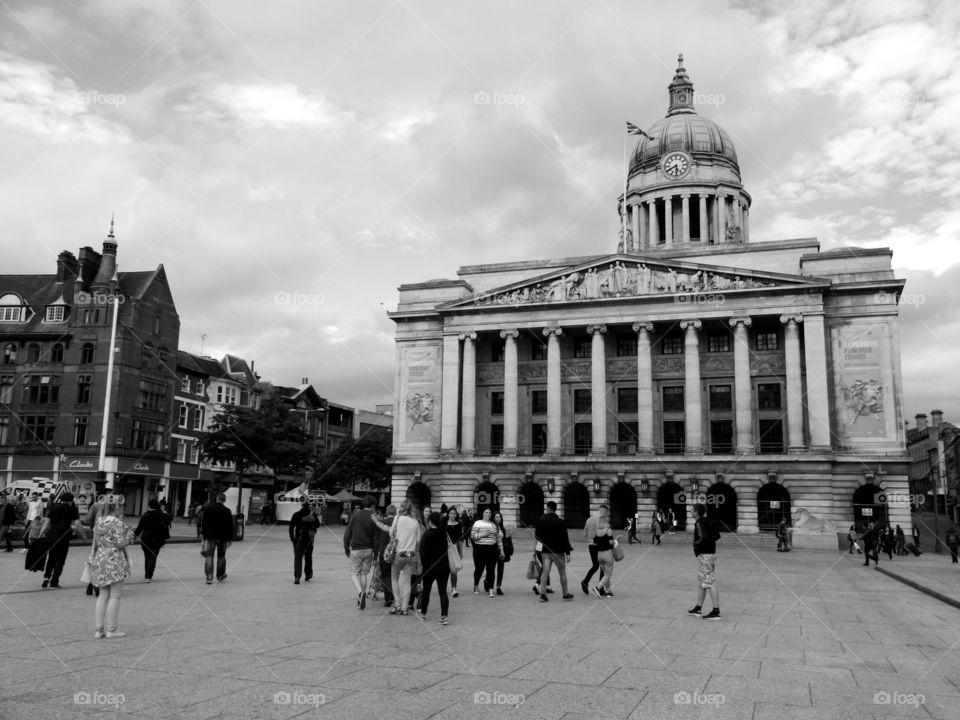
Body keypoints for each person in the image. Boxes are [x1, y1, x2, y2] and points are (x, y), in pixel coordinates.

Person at [90, 496, 134, 639]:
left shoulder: (100, 521)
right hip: (114, 560)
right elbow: (120, 544)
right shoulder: (117, 523)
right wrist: (130, 537)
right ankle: (112, 629)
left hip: (100, 558)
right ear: (116, 507)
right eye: (122, 507)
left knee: (102, 595)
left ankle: (98, 630)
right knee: (115, 596)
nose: (123, 510)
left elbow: (96, 542)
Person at [40, 492, 87, 588]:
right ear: (70, 500)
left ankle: (46, 577)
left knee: (51, 558)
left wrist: (41, 533)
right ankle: (54, 582)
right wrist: (83, 535)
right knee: (60, 560)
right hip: (63, 538)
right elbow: (77, 524)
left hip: (51, 536)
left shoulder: (54, 507)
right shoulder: (73, 509)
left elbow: (46, 523)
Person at [343, 495, 380, 609]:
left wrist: (346, 547)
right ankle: (362, 595)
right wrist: (375, 554)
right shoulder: (374, 517)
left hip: (356, 549)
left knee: (354, 573)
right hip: (369, 549)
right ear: (373, 505)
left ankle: (360, 593)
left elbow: (348, 533)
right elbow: (376, 538)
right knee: (364, 573)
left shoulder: (356, 515)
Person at [534, 501, 574, 602]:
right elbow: (565, 538)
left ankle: (542, 595)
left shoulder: (542, 521)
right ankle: (565, 594)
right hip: (558, 552)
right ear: (555, 509)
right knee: (562, 573)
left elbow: (536, 535)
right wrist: (568, 552)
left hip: (546, 551)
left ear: (548, 508)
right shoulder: (561, 522)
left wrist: (543, 541)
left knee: (545, 573)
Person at [388, 500, 422, 615]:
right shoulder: (415, 522)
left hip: (399, 552)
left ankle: (397, 605)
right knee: (407, 581)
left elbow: (391, 533)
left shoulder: (398, 518)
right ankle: (404, 608)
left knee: (394, 578)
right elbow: (418, 540)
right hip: (410, 554)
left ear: (402, 508)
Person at [417, 511, 450, 625]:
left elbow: (423, 553)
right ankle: (444, 616)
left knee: (426, 591)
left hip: (429, 568)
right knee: (443, 592)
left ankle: (423, 613)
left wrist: (423, 566)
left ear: (430, 521)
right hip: (444, 567)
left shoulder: (427, 534)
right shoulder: (443, 533)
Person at [688, 503, 720, 619]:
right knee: (702, 583)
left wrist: (694, 544)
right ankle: (698, 608)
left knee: (710, 583)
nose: (690, 511)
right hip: (708, 555)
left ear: (696, 512)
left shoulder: (699, 523)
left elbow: (703, 537)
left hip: (706, 555)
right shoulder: (706, 521)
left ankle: (716, 611)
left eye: (691, 510)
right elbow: (716, 536)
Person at [134, 499, 171, 583]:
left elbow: (139, 528)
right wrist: (163, 511)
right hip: (157, 539)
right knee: (153, 557)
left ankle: (146, 575)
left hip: (146, 539)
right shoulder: (161, 514)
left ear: (149, 506)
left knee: (147, 557)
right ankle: (148, 576)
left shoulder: (145, 515)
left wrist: (133, 537)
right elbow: (170, 517)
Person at [199, 494, 233, 584]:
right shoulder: (227, 511)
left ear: (217, 499)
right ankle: (220, 575)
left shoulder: (208, 509)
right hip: (223, 538)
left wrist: (203, 535)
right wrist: (229, 539)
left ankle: (209, 577)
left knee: (209, 556)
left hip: (210, 537)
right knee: (221, 556)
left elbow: (204, 523)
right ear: (224, 500)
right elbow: (230, 526)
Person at [470, 508, 504, 598]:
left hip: (492, 549)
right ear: (483, 514)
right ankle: (476, 584)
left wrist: (501, 550)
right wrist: (483, 535)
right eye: (486, 512)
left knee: (491, 570)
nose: (488, 514)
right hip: (479, 549)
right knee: (479, 569)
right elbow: (472, 536)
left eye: (489, 512)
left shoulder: (494, 524)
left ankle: (491, 589)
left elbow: (499, 539)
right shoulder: (478, 523)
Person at [290, 499, 321, 584]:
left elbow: (291, 527)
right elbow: (318, 525)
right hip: (309, 539)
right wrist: (312, 527)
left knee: (298, 558)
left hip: (298, 539)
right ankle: (308, 575)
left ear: (301, 505)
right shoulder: (312, 514)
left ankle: (297, 577)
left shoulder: (296, 514)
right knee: (308, 557)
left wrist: (292, 539)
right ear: (309, 506)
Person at [373, 505, 397, 606]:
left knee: (385, 575)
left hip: (384, 552)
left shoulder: (382, 522)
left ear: (387, 512)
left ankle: (388, 597)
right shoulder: (398, 523)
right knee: (395, 576)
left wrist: (376, 553)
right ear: (395, 512)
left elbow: (377, 539)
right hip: (396, 552)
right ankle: (395, 595)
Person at [581, 506, 606, 595]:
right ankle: (600, 588)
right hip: (600, 546)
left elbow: (585, 534)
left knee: (595, 565)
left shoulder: (589, 519)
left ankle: (585, 581)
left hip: (591, 545)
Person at [592, 508, 615, 598]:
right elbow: (610, 542)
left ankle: (608, 591)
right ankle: (598, 587)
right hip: (608, 554)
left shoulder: (597, 532)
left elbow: (594, 542)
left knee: (605, 573)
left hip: (599, 555)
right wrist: (616, 541)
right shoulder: (608, 530)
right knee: (608, 574)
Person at [443, 507, 464, 597]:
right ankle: (443, 587)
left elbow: (460, 539)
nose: (452, 515)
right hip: (444, 549)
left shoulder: (459, 524)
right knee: (444, 569)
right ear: (448, 514)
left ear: (456, 515)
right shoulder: (444, 524)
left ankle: (454, 588)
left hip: (455, 548)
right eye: (451, 513)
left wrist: (461, 551)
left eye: (454, 513)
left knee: (454, 569)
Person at [492, 511, 512, 595]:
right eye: (496, 517)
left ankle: (498, 587)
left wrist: (508, 537)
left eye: (499, 517)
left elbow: (502, 540)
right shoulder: (491, 527)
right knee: (491, 570)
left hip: (501, 551)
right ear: (493, 518)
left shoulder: (502, 528)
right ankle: (487, 581)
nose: (498, 518)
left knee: (500, 569)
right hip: (492, 551)